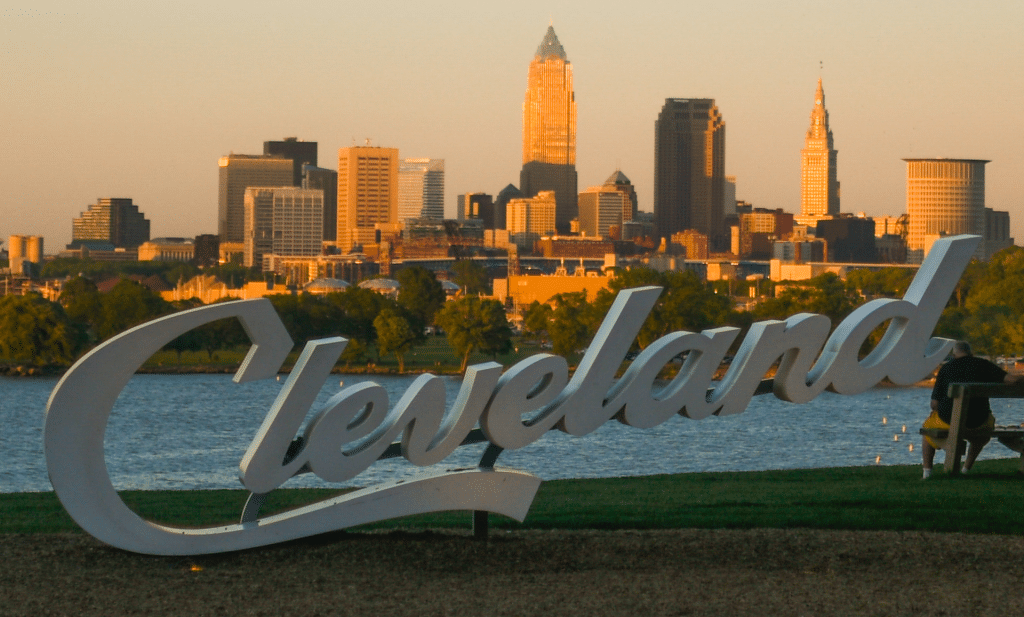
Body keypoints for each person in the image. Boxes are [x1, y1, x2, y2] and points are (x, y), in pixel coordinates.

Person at [922, 341, 1021, 478]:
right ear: (971, 353)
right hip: (979, 421)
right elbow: (1011, 380)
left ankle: (927, 473)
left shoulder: (946, 369)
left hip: (949, 422)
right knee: (982, 436)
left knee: (927, 432)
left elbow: (934, 404)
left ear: (954, 354)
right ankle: (965, 469)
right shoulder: (984, 365)